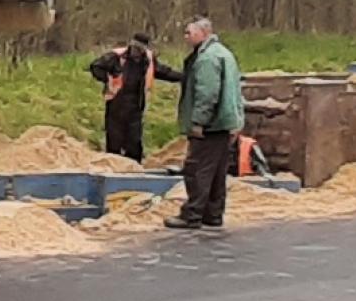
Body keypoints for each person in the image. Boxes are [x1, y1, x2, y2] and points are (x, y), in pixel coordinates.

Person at [164, 18, 244, 230]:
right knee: (217, 172)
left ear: (203, 33)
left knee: (196, 169)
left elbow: (207, 94)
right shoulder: (224, 53)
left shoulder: (207, 59)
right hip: (225, 123)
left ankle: (192, 214)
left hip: (211, 125)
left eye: (189, 32)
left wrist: (198, 121)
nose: (186, 37)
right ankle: (213, 214)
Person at [88, 33, 179, 163]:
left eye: (140, 49)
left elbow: (164, 72)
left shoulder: (148, 60)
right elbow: (96, 66)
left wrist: (184, 77)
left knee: (134, 142)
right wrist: (107, 80)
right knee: (114, 140)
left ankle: (134, 169)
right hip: (116, 105)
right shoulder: (116, 56)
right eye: (135, 47)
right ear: (131, 45)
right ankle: (113, 168)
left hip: (136, 106)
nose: (137, 51)